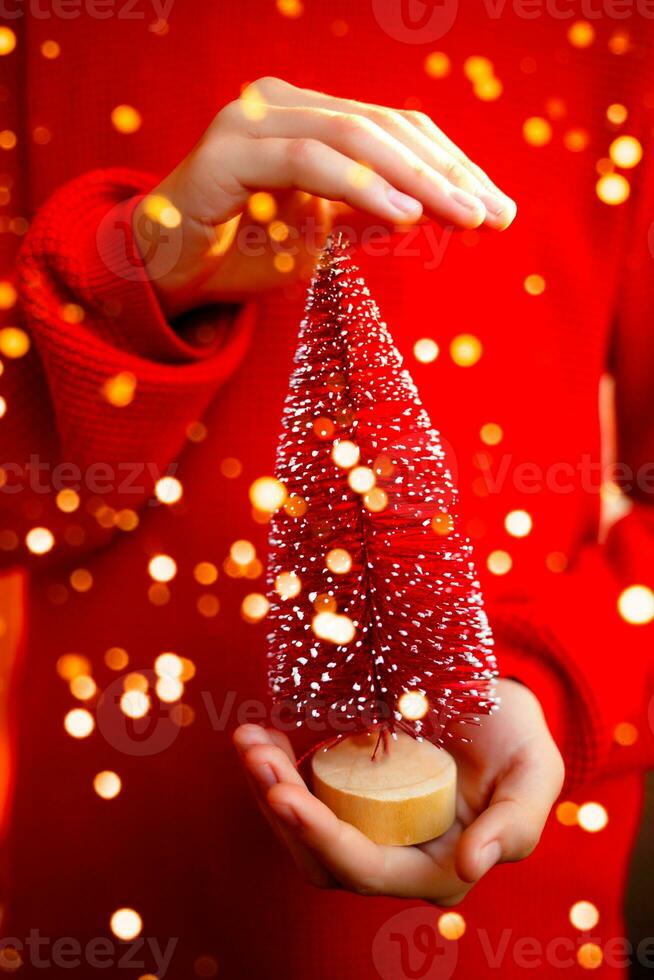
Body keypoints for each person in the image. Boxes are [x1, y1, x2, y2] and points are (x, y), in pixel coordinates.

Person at [0, 3, 652, 977]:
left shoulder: (623, 36)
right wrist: (135, 277)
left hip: (510, 927)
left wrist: (541, 684)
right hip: (100, 912)